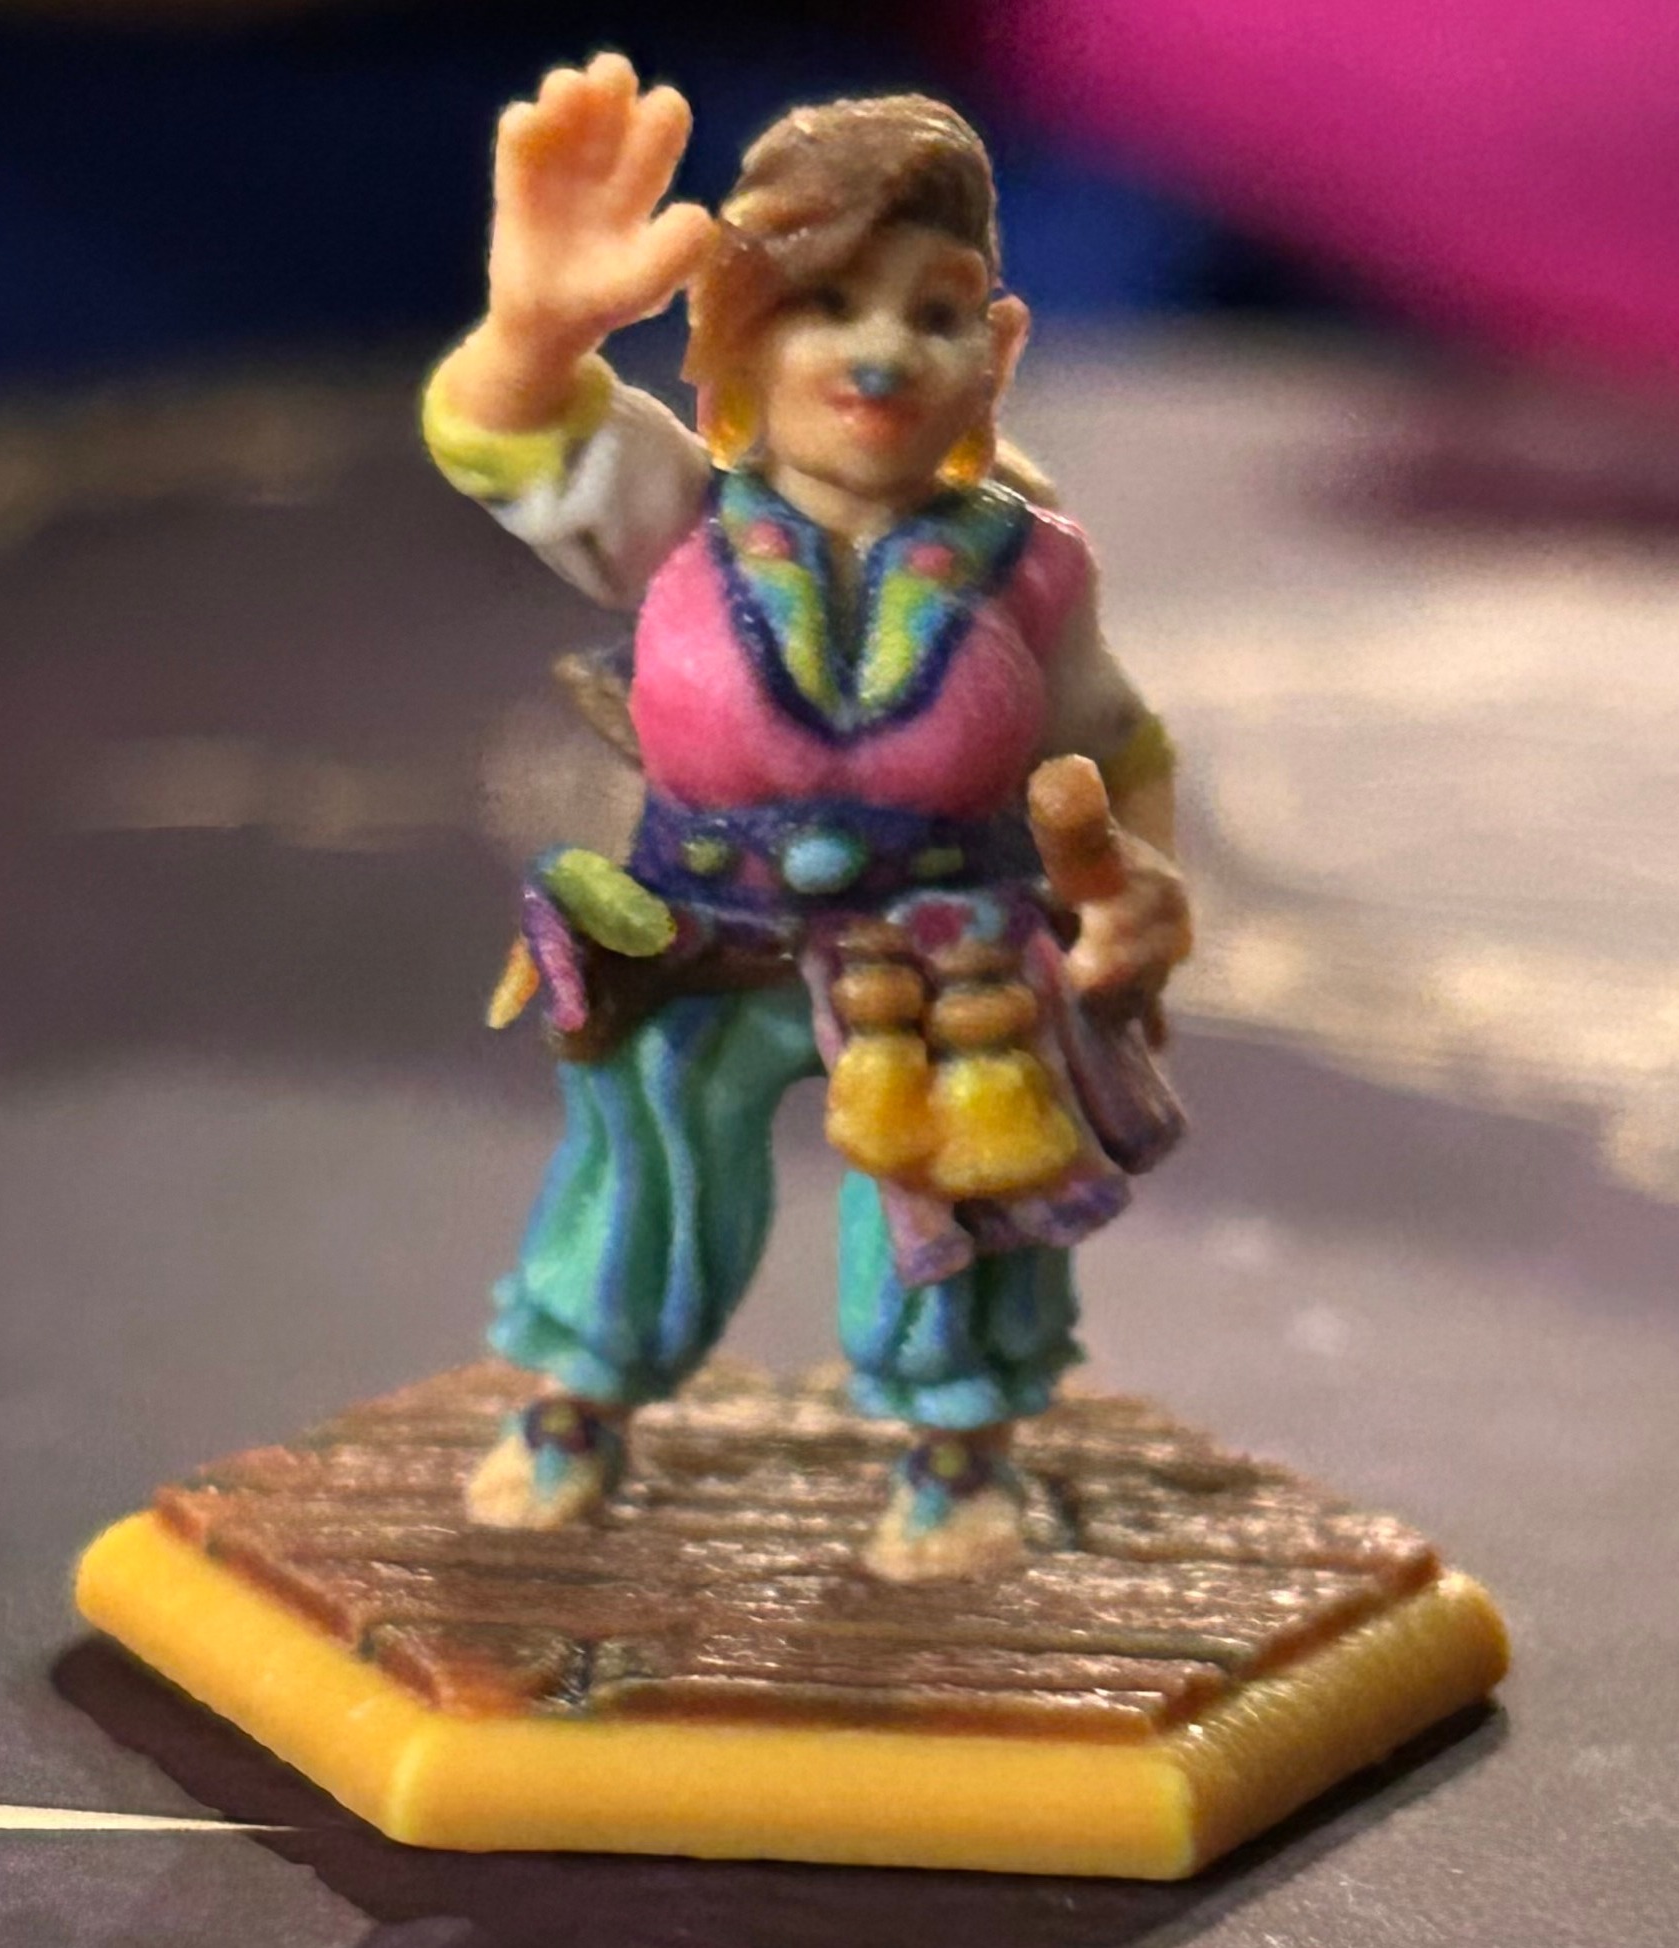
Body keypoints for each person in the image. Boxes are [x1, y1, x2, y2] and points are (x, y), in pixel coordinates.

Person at [423, 53, 1192, 1580]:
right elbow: (519, 446)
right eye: (828, 305)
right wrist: (533, 332)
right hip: (698, 932)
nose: (882, 353)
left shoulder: (1031, 564)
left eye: (935, 311)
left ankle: (956, 1452)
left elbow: (1111, 740)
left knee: (960, 1184)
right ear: (741, 335)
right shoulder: (675, 516)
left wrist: (1143, 888)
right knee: (644, 1160)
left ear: (998, 347)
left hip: (950, 950)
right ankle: (579, 1403)